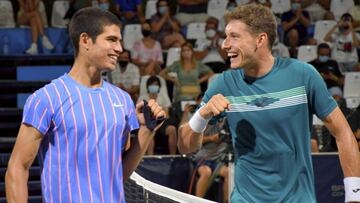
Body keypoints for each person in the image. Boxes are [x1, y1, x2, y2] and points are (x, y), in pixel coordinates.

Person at [177, 4, 360, 202]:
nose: (224, 44)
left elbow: (343, 132)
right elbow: (184, 146)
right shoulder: (224, 83)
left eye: (234, 36)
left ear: (260, 40)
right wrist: (202, 115)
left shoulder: (303, 75)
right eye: (226, 36)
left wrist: (354, 196)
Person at [5, 7, 165, 203]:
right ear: (85, 41)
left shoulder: (123, 100)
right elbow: (17, 167)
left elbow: (118, 173)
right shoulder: (46, 98)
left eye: (120, 41)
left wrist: (146, 131)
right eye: (111, 40)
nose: (120, 49)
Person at [138, 75, 177, 155]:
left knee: (172, 129)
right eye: (152, 85)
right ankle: (150, 158)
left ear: (159, 87)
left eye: (156, 85)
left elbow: (167, 115)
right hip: (148, 123)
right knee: (149, 131)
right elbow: (140, 114)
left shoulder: (163, 97)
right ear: (148, 86)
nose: (154, 86)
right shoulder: (143, 98)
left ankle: (173, 157)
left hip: (162, 123)